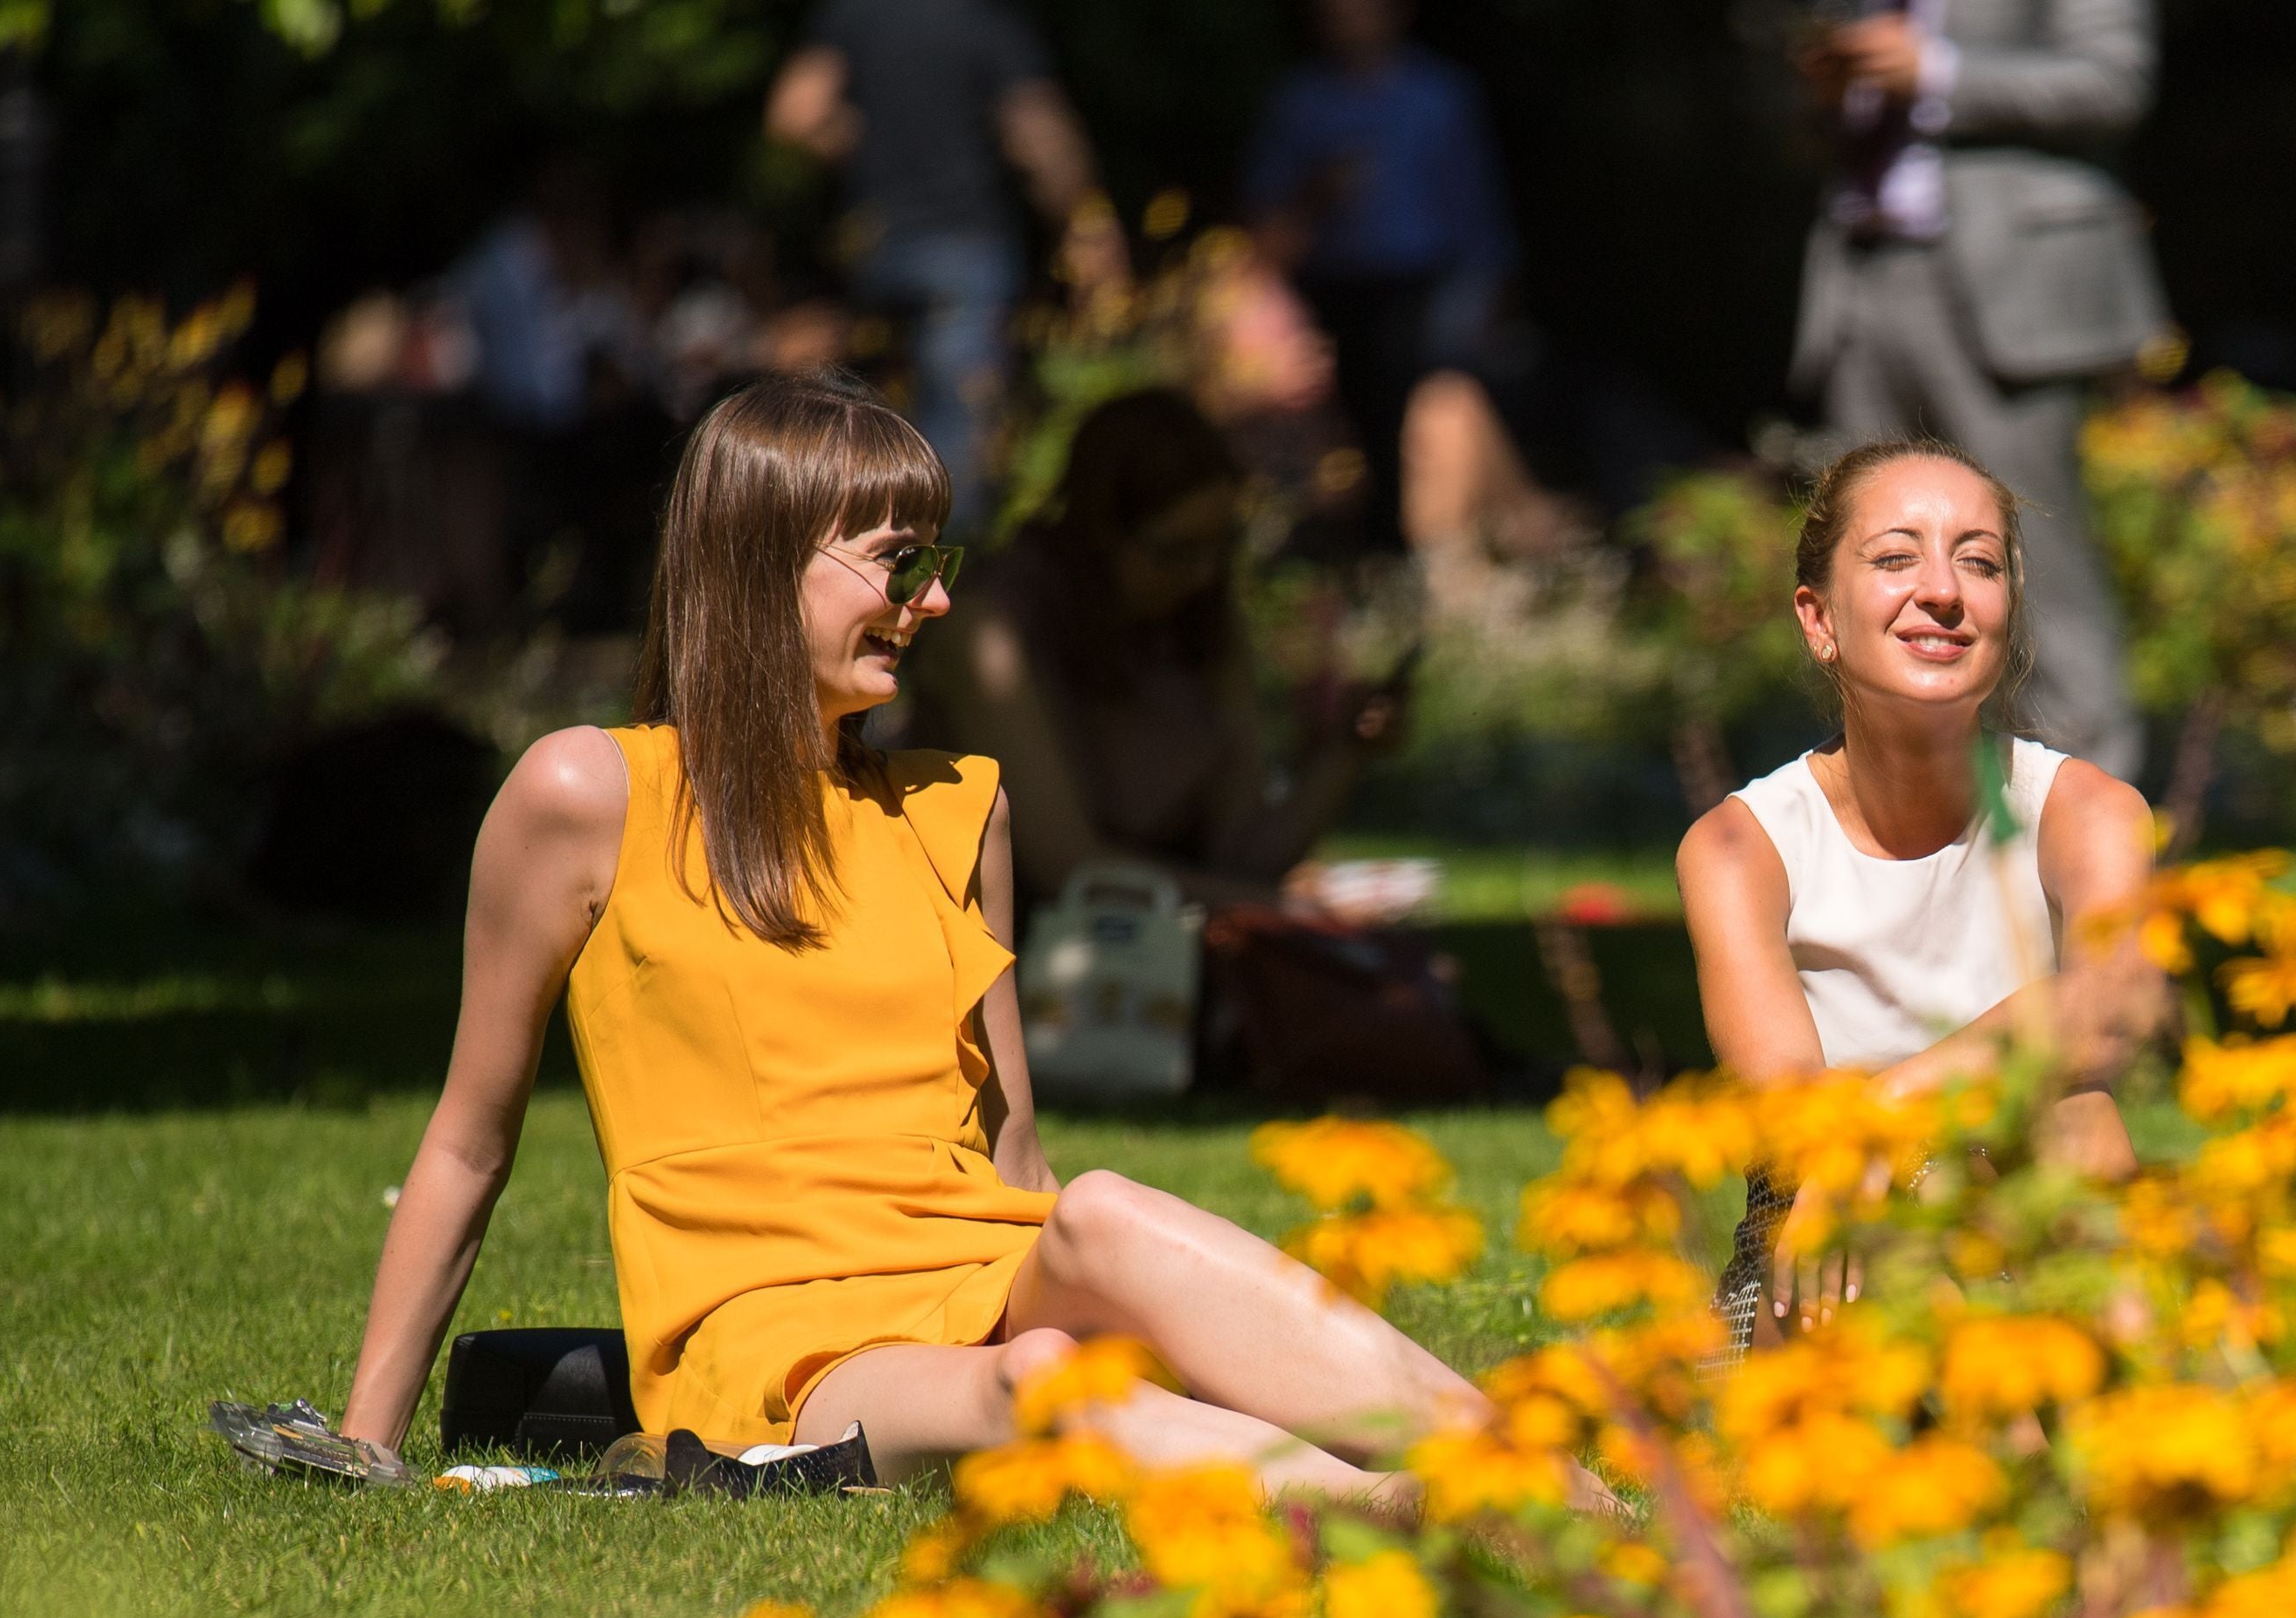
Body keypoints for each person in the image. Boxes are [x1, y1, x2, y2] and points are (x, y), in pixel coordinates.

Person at [334, 371, 1482, 1500]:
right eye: (900, 563)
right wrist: (365, 1441)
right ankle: (1434, 1510)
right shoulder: (591, 794)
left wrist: (1113, 1293)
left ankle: (1545, 1478)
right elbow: (469, 1143)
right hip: (779, 1344)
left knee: (1106, 1212)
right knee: (1034, 1379)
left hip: (976, 1264)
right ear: (760, 563)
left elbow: (1016, 1154)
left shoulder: (955, 808)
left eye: (937, 563)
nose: (933, 604)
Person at [1677, 438, 2162, 1336]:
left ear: (2005, 617)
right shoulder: (1742, 847)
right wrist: (1895, 1149)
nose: (1941, 589)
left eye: (1976, 562)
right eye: (1895, 557)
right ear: (1818, 620)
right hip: (1828, 1258)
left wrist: (1892, 1111)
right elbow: (1789, 1118)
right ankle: (2038, 1444)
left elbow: (2111, 1006)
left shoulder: (2088, 814)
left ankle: (2131, 1425)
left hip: (2035, 1246)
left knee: (2074, 1115)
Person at [1791, 0, 2167, 783]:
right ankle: (1902, 827)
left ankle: (2091, 850)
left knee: (2035, 564)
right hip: (1858, 271)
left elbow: (2113, 81)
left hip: (2010, 293)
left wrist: (1936, 72)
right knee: (1867, 565)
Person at [932, 388, 1404, 910]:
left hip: (1158, 957)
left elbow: (1244, 854)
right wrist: (1274, 909)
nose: (1203, 575)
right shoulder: (989, 630)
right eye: (1176, 552)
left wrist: (1346, 751)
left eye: (1221, 547)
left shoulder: (1199, 620)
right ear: (1100, 533)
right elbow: (1064, 868)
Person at [766, 0, 1127, 536]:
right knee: (961, 424)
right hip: (966, 244)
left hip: (877, 247)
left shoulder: (855, 15)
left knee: (870, 416)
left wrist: (854, 149)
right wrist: (1085, 222)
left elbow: (795, 114)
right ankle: (939, 572)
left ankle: (849, 552)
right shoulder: (990, 22)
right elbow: (1038, 137)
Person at [1246, 0, 1514, 549]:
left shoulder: (1438, 96)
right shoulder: (1302, 104)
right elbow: (1262, 232)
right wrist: (1316, 194)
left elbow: (1477, 209)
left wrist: (1488, 291)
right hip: (1331, 297)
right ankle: (1367, 558)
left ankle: (1427, 554)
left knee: (1429, 423)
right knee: (1348, 441)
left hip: (1423, 292)